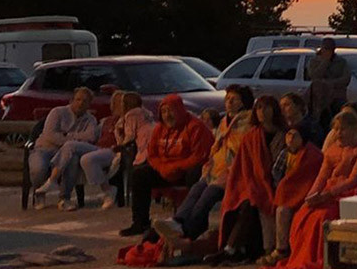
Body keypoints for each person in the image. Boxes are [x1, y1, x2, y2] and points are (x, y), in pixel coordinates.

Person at [258, 108, 357, 269]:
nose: (339, 133)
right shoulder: (332, 150)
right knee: (303, 215)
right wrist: (311, 197)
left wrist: (328, 194)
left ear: (354, 129)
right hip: (327, 191)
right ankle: (296, 257)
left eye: (343, 129)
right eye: (337, 129)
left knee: (321, 218)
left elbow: (354, 179)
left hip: (346, 194)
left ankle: (321, 259)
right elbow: (322, 176)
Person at [160, 88, 251, 244]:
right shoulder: (224, 122)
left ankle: (188, 231)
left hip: (233, 171)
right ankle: (178, 220)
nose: (229, 102)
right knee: (196, 189)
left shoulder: (247, 122)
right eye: (227, 98)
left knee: (208, 195)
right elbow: (217, 147)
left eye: (234, 99)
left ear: (243, 102)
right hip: (215, 168)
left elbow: (238, 148)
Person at [122, 95, 211, 238]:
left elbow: (200, 156)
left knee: (196, 174)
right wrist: (163, 169)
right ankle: (140, 223)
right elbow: (152, 155)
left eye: (171, 110)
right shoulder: (159, 129)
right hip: (166, 170)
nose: (167, 115)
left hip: (186, 171)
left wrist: (176, 167)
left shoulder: (195, 126)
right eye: (164, 112)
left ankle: (194, 223)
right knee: (139, 174)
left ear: (180, 110)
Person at [215, 93, 282, 264]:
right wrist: (252, 184)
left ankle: (236, 249)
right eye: (258, 107)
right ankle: (233, 248)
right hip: (251, 181)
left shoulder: (284, 135)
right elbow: (244, 165)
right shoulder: (251, 136)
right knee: (245, 201)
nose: (262, 111)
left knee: (254, 203)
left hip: (276, 182)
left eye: (266, 107)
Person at [259, 124, 323, 267]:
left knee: (283, 211)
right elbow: (277, 174)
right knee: (265, 207)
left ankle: (281, 250)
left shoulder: (312, 155)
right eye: (288, 135)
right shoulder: (284, 154)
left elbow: (307, 178)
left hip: (302, 194)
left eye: (295, 135)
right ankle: (269, 248)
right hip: (285, 192)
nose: (291, 139)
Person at [80, 91, 153, 209]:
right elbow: (94, 136)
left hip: (114, 150)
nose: (118, 105)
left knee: (86, 159)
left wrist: (119, 137)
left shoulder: (130, 117)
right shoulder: (106, 120)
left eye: (121, 102)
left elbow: (128, 137)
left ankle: (108, 191)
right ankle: (59, 187)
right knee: (71, 147)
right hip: (98, 147)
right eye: (115, 103)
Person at [29, 87, 102, 206]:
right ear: (72, 100)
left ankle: (64, 198)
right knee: (38, 167)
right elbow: (50, 135)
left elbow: (91, 137)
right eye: (78, 100)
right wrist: (74, 139)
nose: (81, 103)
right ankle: (39, 193)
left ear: (89, 104)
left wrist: (66, 137)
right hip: (45, 149)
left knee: (72, 161)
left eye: (85, 101)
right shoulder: (57, 112)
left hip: (70, 153)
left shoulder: (90, 119)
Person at [305, 41, 351, 129]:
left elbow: (346, 78)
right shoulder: (314, 61)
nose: (327, 51)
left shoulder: (341, 62)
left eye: (330, 49)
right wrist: (325, 61)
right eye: (325, 49)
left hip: (337, 97)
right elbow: (314, 76)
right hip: (318, 100)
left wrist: (331, 83)